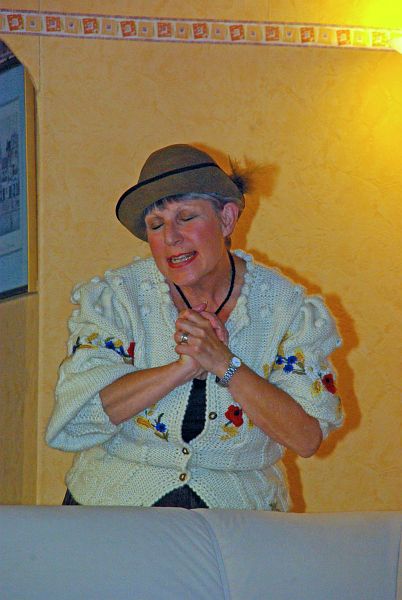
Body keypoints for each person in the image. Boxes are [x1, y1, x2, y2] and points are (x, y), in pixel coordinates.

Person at [46, 144, 343, 510]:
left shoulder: (287, 309)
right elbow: (79, 416)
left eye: (186, 218)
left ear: (227, 219)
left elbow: (306, 438)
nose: (171, 237)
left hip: (238, 517)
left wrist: (224, 364)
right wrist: (182, 368)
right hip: (113, 509)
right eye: (156, 225)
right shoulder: (118, 298)